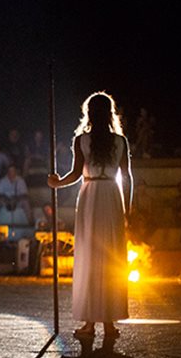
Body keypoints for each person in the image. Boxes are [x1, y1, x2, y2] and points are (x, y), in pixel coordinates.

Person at [48, 91, 132, 339]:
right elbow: (126, 178)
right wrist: (126, 209)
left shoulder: (82, 140)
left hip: (91, 194)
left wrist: (56, 183)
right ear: (109, 114)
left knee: (90, 258)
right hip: (111, 196)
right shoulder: (120, 141)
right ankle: (108, 323)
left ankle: (90, 323)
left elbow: (75, 174)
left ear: (89, 114)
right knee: (110, 258)